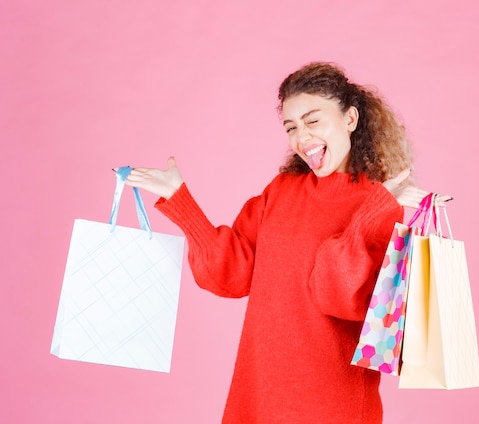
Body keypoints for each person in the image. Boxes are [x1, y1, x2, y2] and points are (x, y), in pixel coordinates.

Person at [125, 62, 446, 423]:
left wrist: (371, 213)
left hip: (332, 401)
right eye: (291, 127)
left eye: (313, 121)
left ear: (350, 119)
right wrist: (180, 198)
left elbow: (338, 295)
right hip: (259, 390)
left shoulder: (376, 204)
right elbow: (230, 273)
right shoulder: (281, 191)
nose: (301, 138)